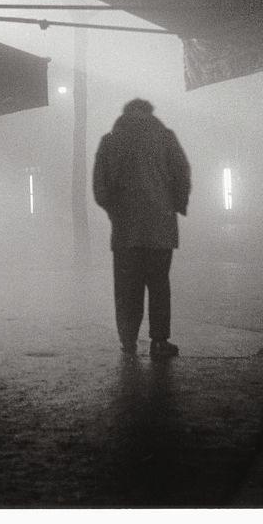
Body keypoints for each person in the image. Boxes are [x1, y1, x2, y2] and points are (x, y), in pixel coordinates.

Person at [93, 99, 191, 360]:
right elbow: (182, 174)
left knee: (127, 288)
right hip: (161, 227)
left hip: (126, 231)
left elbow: (100, 188)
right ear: (150, 112)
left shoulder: (110, 141)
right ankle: (159, 341)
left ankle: (128, 341)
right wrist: (175, 205)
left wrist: (115, 211)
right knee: (158, 285)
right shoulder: (165, 138)